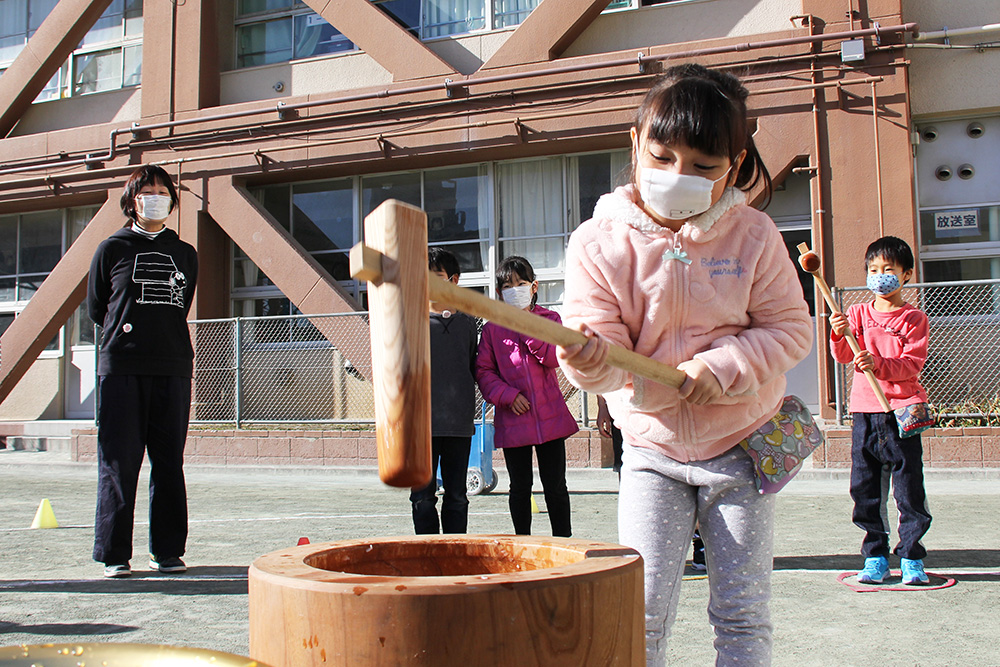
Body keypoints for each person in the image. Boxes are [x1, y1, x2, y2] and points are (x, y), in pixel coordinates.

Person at [556, 64, 813, 665]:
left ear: (734, 164)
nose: (679, 176)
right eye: (663, 156)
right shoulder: (596, 242)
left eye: (703, 165)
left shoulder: (753, 234)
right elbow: (601, 360)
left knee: (742, 612)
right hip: (652, 452)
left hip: (742, 446)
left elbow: (791, 330)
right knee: (639, 612)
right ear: (635, 143)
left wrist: (722, 367)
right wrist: (589, 362)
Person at [88, 165, 198, 579]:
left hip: (172, 367)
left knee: (168, 462)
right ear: (132, 201)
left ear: (171, 198)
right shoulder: (111, 248)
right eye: (146, 191)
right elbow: (98, 307)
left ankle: (167, 551)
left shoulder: (185, 253)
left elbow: (181, 303)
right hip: (122, 367)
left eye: (162, 191)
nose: (155, 197)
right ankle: (114, 553)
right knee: (120, 461)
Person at [829, 236, 932, 586]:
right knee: (865, 487)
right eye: (873, 269)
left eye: (889, 269)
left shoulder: (914, 318)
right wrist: (838, 334)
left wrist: (879, 362)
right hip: (864, 411)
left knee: (908, 487)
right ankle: (875, 555)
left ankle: (911, 557)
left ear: (906, 275)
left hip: (902, 410)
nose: (880, 276)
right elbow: (843, 356)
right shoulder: (856, 313)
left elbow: (912, 363)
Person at [476, 256, 578, 537]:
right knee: (519, 487)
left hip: (550, 417)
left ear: (534, 286)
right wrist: (507, 396)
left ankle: (564, 542)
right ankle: (523, 543)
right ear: (499, 293)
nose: (515, 289)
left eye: (521, 283)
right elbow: (484, 372)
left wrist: (526, 327)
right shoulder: (492, 329)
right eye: (508, 285)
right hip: (514, 420)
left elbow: (552, 357)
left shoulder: (550, 320)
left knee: (555, 485)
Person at [409, 247, 479, 534]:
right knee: (422, 499)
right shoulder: (410, 322)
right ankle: (426, 557)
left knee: (457, 497)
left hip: (458, 425)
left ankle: (455, 556)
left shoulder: (468, 324)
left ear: (454, 280)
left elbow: (475, 367)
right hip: (420, 426)